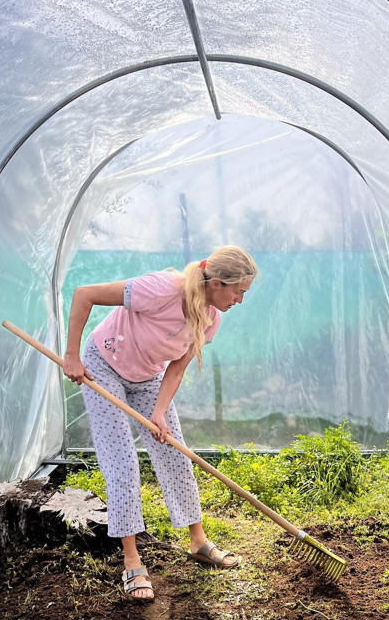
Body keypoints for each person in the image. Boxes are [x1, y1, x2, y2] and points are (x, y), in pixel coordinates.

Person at [63, 245, 259, 601]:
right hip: (102, 367)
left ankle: (198, 541)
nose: (241, 300)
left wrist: (159, 411)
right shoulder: (160, 289)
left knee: (174, 452)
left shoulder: (211, 316)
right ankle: (131, 559)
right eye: (238, 291)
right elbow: (84, 294)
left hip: (147, 376)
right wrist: (72, 355)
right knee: (122, 462)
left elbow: (177, 366)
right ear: (216, 283)